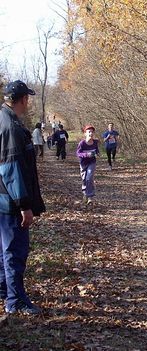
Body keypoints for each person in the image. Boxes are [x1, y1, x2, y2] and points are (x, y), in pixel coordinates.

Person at [0, 80, 46, 314]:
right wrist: (24, 205)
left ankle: (5, 290)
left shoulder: (4, 119)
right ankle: (14, 300)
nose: (28, 102)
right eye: (27, 98)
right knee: (14, 251)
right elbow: (10, 169)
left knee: (4, 251)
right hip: (9, 203)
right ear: (23, 100)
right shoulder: (9, 127)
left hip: (3, 200)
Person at [76, 125, 99, 205]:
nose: (91, 133)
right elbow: (78, 153)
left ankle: (90, 197)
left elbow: (97, 150)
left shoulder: (95, 142)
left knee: (89, 178)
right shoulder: (82, 143)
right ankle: (85, 194)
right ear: (85, 133)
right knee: (84, 179)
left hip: (92, 162)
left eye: (92, 132)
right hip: (83, 163)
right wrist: (87, 154)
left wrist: (97, 154)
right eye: (89, 132)